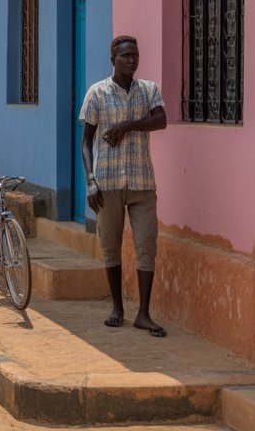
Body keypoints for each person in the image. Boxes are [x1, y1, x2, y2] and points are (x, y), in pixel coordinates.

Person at [80, 35, 169, 337]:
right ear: (113, 60)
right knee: (111, 246)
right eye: (125, 56)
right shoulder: (97, 93)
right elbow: (86, 141)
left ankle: (143, 313)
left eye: (135, 55)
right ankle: (117, 307)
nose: (132, 60)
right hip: (108, 183)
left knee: (146, 245)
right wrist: (91, 181)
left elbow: (161, 121)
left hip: (142, 182)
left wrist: (126, 125)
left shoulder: (148, 91)